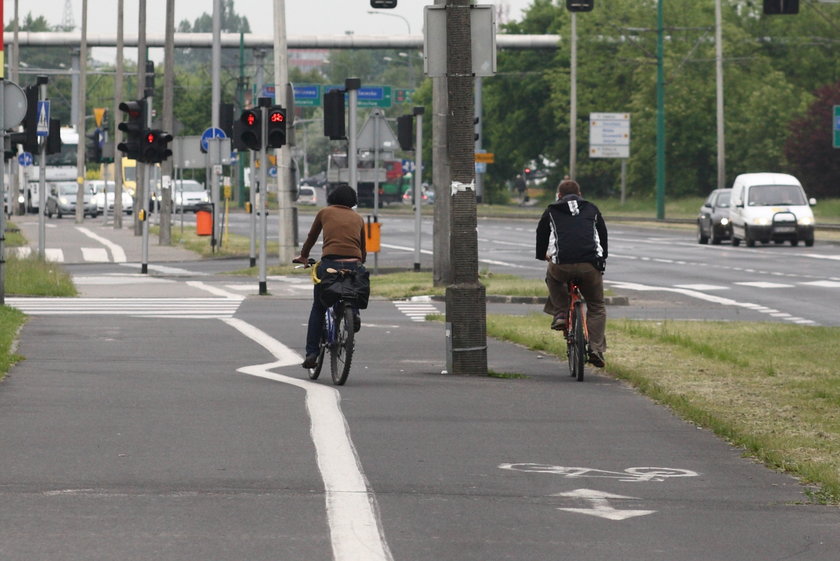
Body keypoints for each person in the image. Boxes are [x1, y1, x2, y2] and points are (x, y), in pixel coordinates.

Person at [535, 178, 608, 368]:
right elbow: (602, 233)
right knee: (596, 306)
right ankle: (596, 349)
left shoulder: (551, 210)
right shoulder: (592, 208)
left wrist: (541, 255)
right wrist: (603, 257)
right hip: (589, 265)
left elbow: (541, 233)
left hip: (562, 265)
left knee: (552, 277)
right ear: (580, 195)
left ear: (558, 195)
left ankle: (560, 314)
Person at [293, 185, 366, 369]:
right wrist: (358, 262)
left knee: (319, 306)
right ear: (352, 201)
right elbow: (363, 249)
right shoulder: (358, 218)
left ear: (332, 198)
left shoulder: (325, 212)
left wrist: (303, 256)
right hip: (353, 263)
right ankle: (354, 313)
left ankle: (312, 353)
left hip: (330, 264)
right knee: (351, 291)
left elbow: (312, 237)